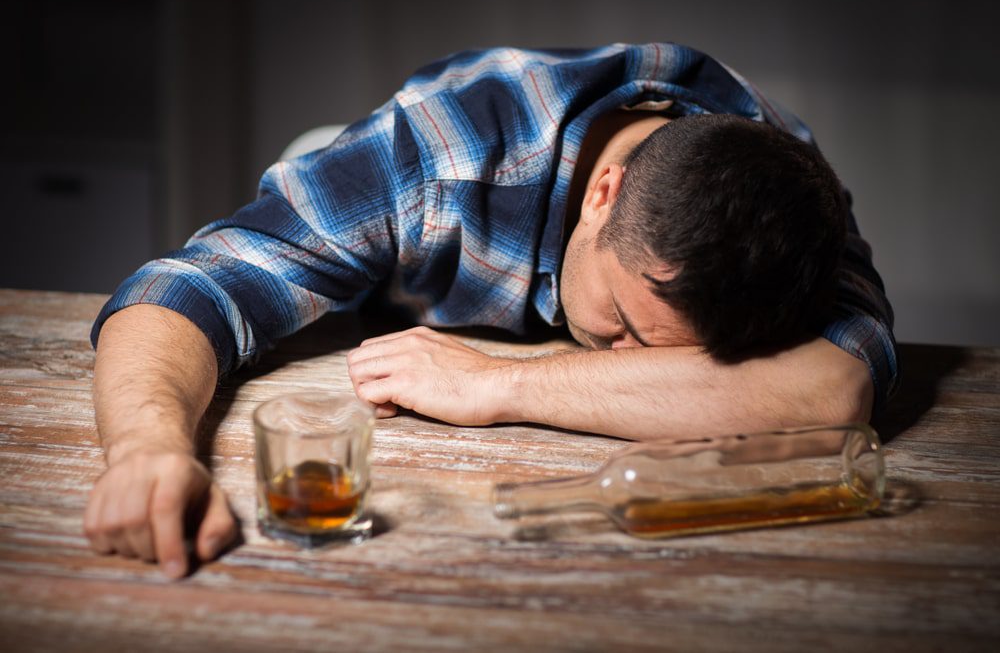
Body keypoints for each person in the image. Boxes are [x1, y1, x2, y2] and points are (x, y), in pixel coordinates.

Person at [83, 43, 898, 579]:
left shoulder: (788, 204)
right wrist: (145, 449)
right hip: (369, 289)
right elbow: (189, 286)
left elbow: (831, 392)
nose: (624, 358)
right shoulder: (441, 156)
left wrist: (499, 384)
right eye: (621, 320)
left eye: (670, 354)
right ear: (603, 195)